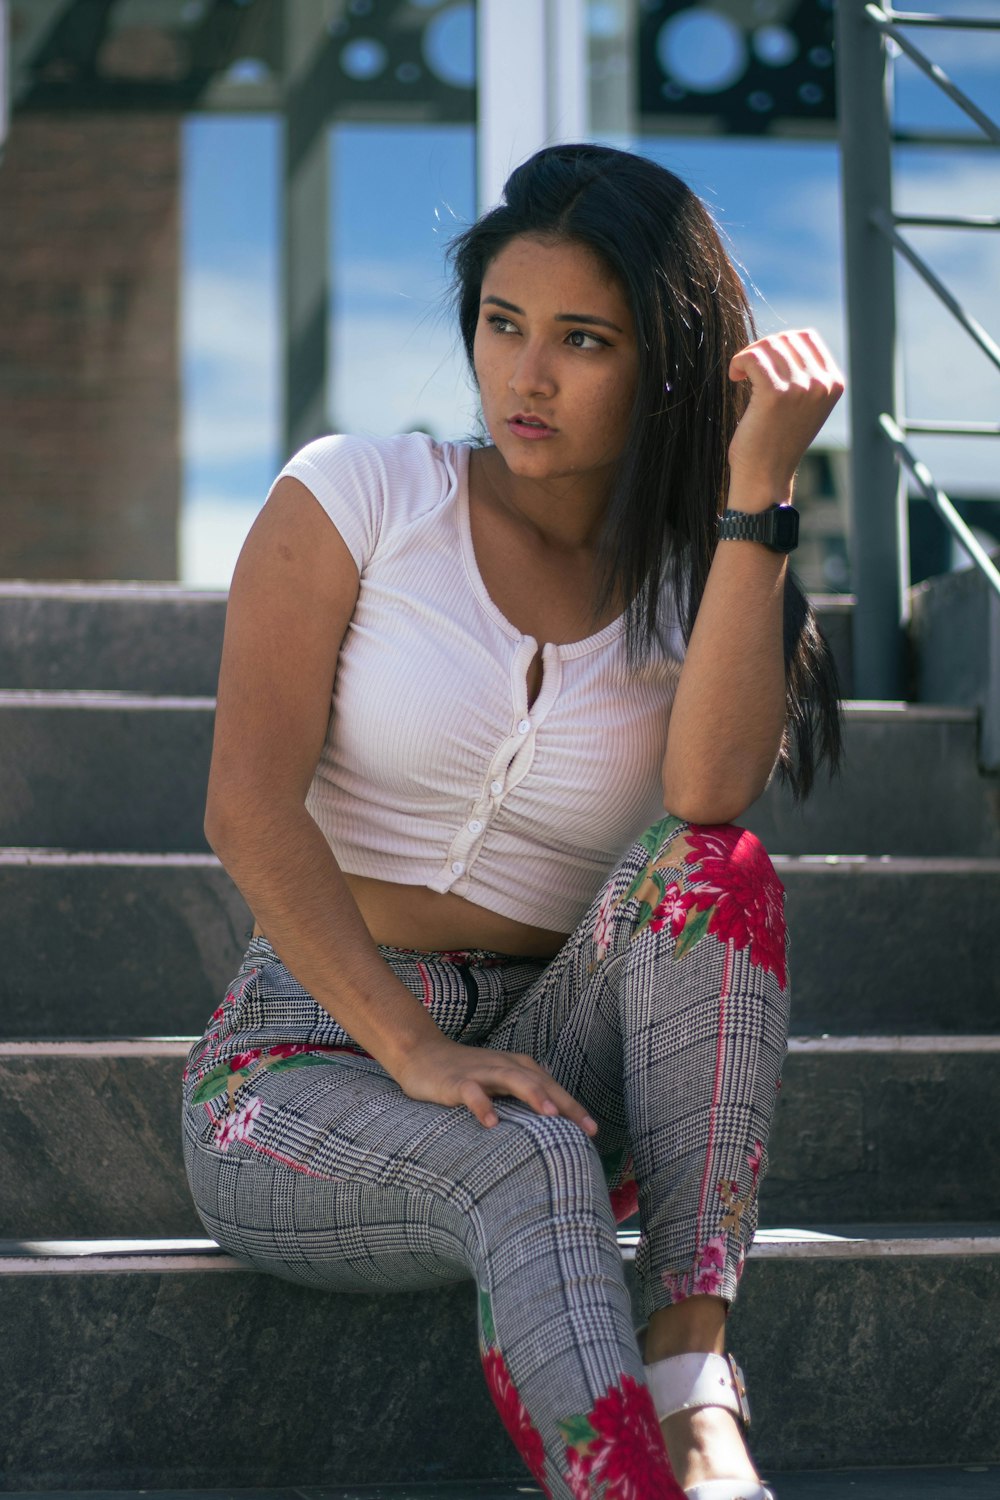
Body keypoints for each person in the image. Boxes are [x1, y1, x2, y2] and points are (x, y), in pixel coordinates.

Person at [182, 143, 843, 1500]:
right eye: (502, 325)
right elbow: (246, 807)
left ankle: (694, 1369)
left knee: (713, 873)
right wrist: (412, 1047)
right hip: (301, 1070)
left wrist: (759, 492)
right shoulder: (358, 497)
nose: (524, 376)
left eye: (581, 340)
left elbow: (708, 811)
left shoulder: (698, 585)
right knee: (524, 1158)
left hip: (561, 1042)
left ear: (662, 359)